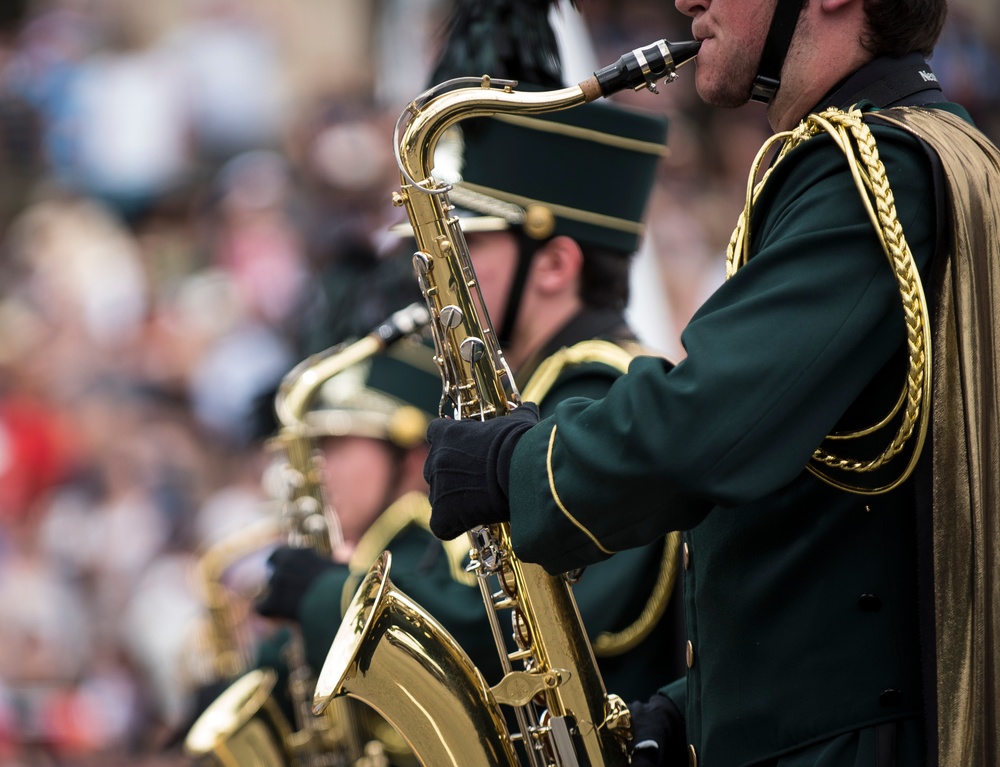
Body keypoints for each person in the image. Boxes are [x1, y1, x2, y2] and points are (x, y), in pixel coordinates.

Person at [422, 0, 1000, 766]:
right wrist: (689, 708)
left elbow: (712, 423)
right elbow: (843, 538)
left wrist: (515, 466)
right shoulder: (923, 152)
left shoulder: (872, 167)